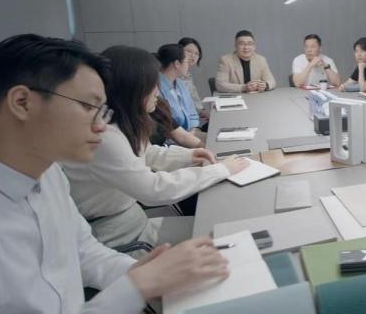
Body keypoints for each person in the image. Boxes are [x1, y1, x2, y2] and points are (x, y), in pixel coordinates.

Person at [0, 34, 229, 314]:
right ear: (22, 103)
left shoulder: (49, 175)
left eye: (102, 111)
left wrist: (147, 273)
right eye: (88, 106)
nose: (102, 126)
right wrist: (136, 286)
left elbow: (85, 252)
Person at [63, 46, 249, 250]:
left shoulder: (122, 123)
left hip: (132, 222)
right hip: (122, 238)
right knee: (226, 233)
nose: (158, 92)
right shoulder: (105, 136)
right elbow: (153, 189)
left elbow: (148, 153)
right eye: (153, 85)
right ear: (133, 88)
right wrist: (220, 170)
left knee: (224, 227)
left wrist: (189, 156)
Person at [156, 43, 201, 133]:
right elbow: (167, 126)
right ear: (177, 64)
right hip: (172, 137)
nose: (188, 65)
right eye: (187, 62)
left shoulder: (180, 84)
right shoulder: (156, 88)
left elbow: (193, 115)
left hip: (190, 133)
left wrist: (194, 131)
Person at [178, 37, 208, 120]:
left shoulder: (188, 74)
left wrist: (202, 110)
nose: (193, 56)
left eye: (196, 53)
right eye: (189, 51)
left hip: (196, 116)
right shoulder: (176, 75)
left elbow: (194, 97)